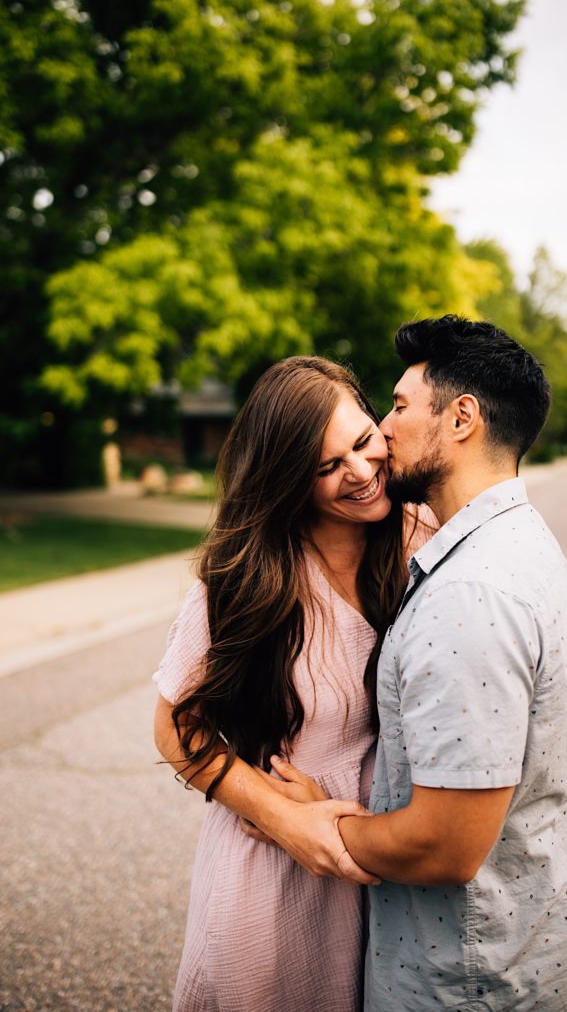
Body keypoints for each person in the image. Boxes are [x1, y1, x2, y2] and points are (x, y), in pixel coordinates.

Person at [269, 316, 567, 1011]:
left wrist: (320, 824)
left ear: (461, 419)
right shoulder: (521, 538)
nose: (382, 429)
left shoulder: (467, 595)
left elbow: (442, 850)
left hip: (471, 978)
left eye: (397, 406)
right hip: (537, 947)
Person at [153, 356, 435, 1012]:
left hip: (390, 862)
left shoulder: (425, 535)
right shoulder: (244, 575)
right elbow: (174, 723)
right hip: (274, 877)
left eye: (363, 442)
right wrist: (284, 819)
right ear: (287, 478)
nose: (361, 473)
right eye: (325, 466)